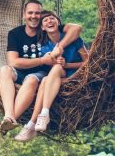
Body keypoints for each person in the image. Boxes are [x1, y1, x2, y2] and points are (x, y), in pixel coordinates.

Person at [0, 0, 82, 137]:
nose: (34, 16)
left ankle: (11, 120)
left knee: (31, 79)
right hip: (20, 72)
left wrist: (58, 48)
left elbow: (76, 28)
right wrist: (42, 60)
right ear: (24, 15)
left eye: (37, 13)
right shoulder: (15, 33)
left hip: (41, 73)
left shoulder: (47, 28)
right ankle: (8, 116)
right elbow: (13, 61)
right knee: (5, 70)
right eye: (30, 13)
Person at [14, 10, 89, 142]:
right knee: (47, 78)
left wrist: (67, 65)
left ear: (58, 22)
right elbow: (50, 65)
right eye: (45, 20)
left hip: (78, 76)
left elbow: (89, 63)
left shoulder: (74, 39)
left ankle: (39, 117)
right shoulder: (44, 48)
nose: (49, 21)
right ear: (42, 28)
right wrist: (56, 60)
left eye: (52, 18)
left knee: (53, 72)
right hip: (59, 78)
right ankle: (34, 122)